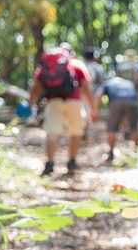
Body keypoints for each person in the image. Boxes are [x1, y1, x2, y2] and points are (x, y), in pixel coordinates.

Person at [28, 42, 94, 176]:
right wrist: (92, 108)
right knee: (75, 133)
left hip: (53, 102)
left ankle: (50, 163)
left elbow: (36, 87)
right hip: (74, 101)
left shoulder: (46, 66)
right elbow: (86, 87)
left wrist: (31, 105)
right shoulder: (77, 64)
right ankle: (71, 162)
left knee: (52, 133)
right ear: (72, 53)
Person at [92, 76, 138, 162]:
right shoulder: (129, 82)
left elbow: (98, 95)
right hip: (132, 101)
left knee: (111, 129)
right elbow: (137, 95)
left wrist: (96, 111)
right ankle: (137, 152)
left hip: (116, 102)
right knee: (134, 127)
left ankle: (111, 153)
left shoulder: (107, 83)